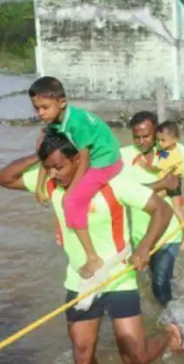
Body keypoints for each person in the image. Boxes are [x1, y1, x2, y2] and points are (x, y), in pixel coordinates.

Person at [0, 132, 184, 364]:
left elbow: (160, 210)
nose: (54, 173)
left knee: (135, 359)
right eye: (48, 167)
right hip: (80, 282)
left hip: (118, 277)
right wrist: (41, 155)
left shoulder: (111, 182)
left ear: (79, 159)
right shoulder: (51, 183)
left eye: (59, 166)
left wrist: (143, 249)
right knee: (84, 363)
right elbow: (3, 178)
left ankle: (170, 335)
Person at [29, 76, 124, 280]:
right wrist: (39, 187)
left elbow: (85, 159)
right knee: (42, 142)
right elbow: (46, 156)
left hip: (105, 160)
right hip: (92, 158)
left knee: (71, 202)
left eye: (45, 107)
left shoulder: (77, 122)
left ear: (62, 102)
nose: (40, 113)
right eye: (36, 108)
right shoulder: (55, 123)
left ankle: (93, 258)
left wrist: (72, 192)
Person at [121, 111, 184, 308]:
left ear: (156, 132)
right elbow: (122, 191)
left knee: (159, 285)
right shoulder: (124, 156)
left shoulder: (172, 151)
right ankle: (171, 314)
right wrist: (161, 183)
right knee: (157, 280)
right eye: (136, 136)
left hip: (169, 234)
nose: (141, 141)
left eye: (146, 136)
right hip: (141, 237)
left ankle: (176, 326)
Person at [153, 120, 184, 251]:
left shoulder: (175, 154)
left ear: (174, 139)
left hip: (172, 183)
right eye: (158, 140)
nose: (159, 143)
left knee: (176, 210)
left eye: (163, 140)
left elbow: (167, 170)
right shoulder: (165, 150)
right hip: (169, 181)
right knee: (175, 209)